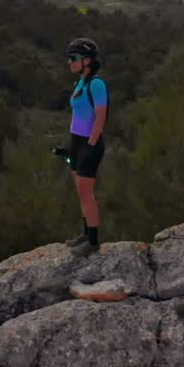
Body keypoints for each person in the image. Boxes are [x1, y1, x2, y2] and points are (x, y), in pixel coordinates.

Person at [63, 37, 107, 257]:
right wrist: (70, 147)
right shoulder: (79, 83)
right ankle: (86, 233)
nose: (69, 62)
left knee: (87, 193)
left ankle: (94, 241)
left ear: (87, 60)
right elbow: (77, 116)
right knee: (81, 193)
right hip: (77, 142)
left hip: (90, 143)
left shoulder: (96, 84)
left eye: (73, 58)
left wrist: (91, 144)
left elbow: (100, 117)